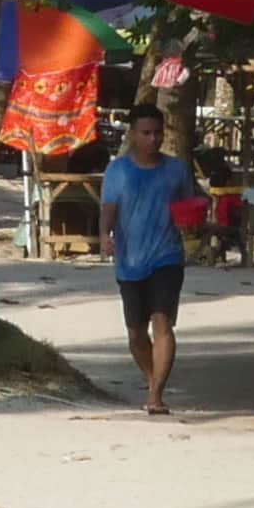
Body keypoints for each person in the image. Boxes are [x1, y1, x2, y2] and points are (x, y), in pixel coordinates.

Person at [99, 101, 196, 416]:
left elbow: (190, 204)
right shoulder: (118, 170)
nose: (153, 139)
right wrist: (104, 236)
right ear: (133, 134)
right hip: (129, 261)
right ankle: (152, 377)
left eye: (158, 133)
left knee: (162, 321)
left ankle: (156, 394)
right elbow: (108, 210)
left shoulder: (176, 169)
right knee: (136, 332)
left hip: (167, 256)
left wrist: (198, 214)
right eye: (146, 133)